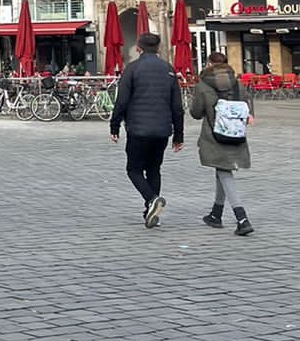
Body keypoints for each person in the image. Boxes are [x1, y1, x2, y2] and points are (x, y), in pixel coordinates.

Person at [109, 31, 184, 228]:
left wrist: (114, 126)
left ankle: (151, 199)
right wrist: (179, 135)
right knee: (154, 169)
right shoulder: (168, 69)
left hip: (138, 129)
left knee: (133, 169)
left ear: (138, 48)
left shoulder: (132, 69)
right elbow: (177, 106)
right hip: (162, 129)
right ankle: (149, 212)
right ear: (158, 48)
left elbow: (122, 101)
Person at [190, 50, 254, 235]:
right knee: (222, 169)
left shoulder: (203, 85)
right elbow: (247, 106)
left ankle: (242, 218)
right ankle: (216, 214)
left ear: (210, 64)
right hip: (236, 133)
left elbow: (196, 112)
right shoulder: (237, 83)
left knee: (224, 171)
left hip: (214, 135)